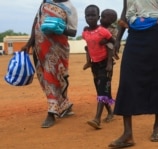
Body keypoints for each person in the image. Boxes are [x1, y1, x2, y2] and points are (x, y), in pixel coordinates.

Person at [108, 0, 158, 148]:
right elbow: (125, 11)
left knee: (155, 79)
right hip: (134, 36)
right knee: (126, 80)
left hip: (155, 34)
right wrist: (118, 39)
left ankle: (157, 126)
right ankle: (127, 134)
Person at [21, 0, 78, 128]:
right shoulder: (45, 2)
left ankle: (52, 112)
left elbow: (73, 32)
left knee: (53, 78)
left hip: (58, 49)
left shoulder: (70, 8)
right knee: (45, 79)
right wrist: (29, 43)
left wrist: (58, 28)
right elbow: (37, 21)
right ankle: (65, 105)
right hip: (40, 48)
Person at [82, 5, 116, 129]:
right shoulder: (85, 32)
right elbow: (88, 45)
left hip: (105, 64)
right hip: (95, 64)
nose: (90, 18)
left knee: (102, 90)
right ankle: (111, 112)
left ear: (98, 17)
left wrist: (109, 64)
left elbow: (113, 42)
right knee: (101, 90)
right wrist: (89, 59)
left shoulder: (104, 31)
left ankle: (97, 119)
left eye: (93, 15)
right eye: (88, 15)